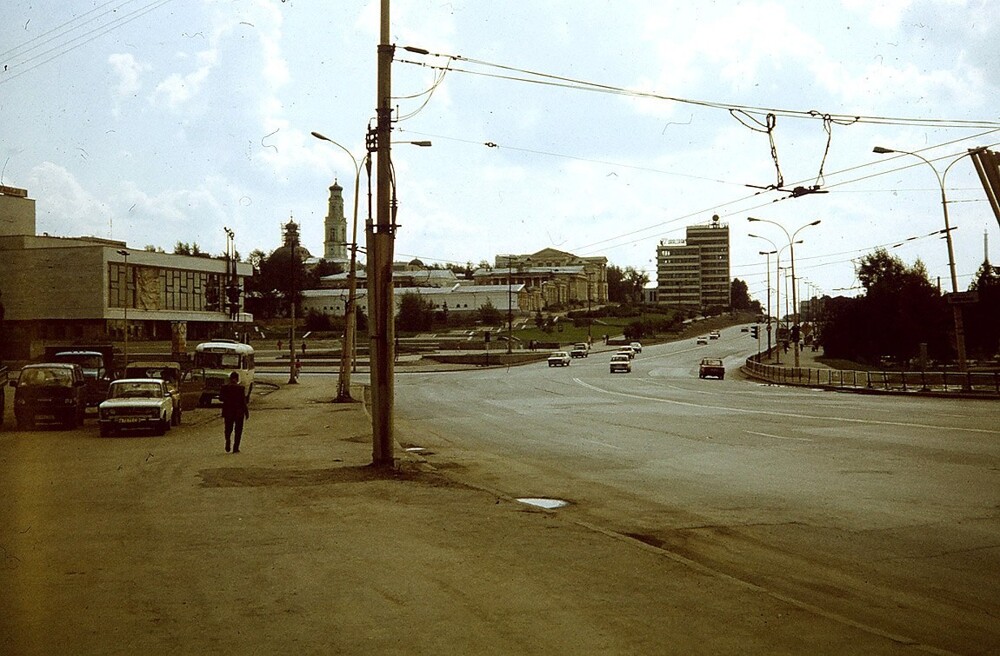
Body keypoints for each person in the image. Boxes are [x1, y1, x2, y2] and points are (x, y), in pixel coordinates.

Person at [220, 371, 250, 453]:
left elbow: (221, 398)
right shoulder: (240, 388)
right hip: (238, 412)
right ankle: (235, 447)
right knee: (238, 430)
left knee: (228, 429)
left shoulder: (224, 387)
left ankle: (228, 441)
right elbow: (243, 402)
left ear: (230, 379)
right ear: (237, 379)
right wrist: (246, 412)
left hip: (228, 411)